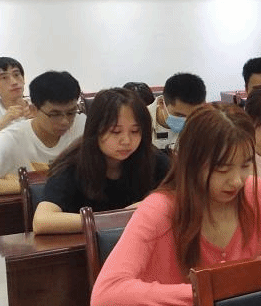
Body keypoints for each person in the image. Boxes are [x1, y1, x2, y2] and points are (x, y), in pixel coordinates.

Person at [90, 104, 261, 306]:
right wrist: (206, 292)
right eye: (222, 169)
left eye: (245, 165)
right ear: (191, 164)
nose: (236, 180)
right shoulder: (160, 209)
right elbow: (105, 293)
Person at [32, 87, 171, 234]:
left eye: (135, 131)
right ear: (95, 129)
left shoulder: (152, 158)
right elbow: (42, 221)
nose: (126, 140)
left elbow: (182, 200)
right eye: (116, 131)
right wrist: (118, 217)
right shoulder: (72, 165)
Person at [0, 70, 86, 196]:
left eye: (71, 113)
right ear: (34, 109)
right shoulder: (11, 137)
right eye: (54, 114)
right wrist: (27, 184)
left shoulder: (82, 125)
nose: (65, 121)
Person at [147, 72, 207, 150]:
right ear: (161, 103)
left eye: (193, 115)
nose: (187, 121)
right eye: (180, 115)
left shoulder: (205, 122)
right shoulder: (139, 119)